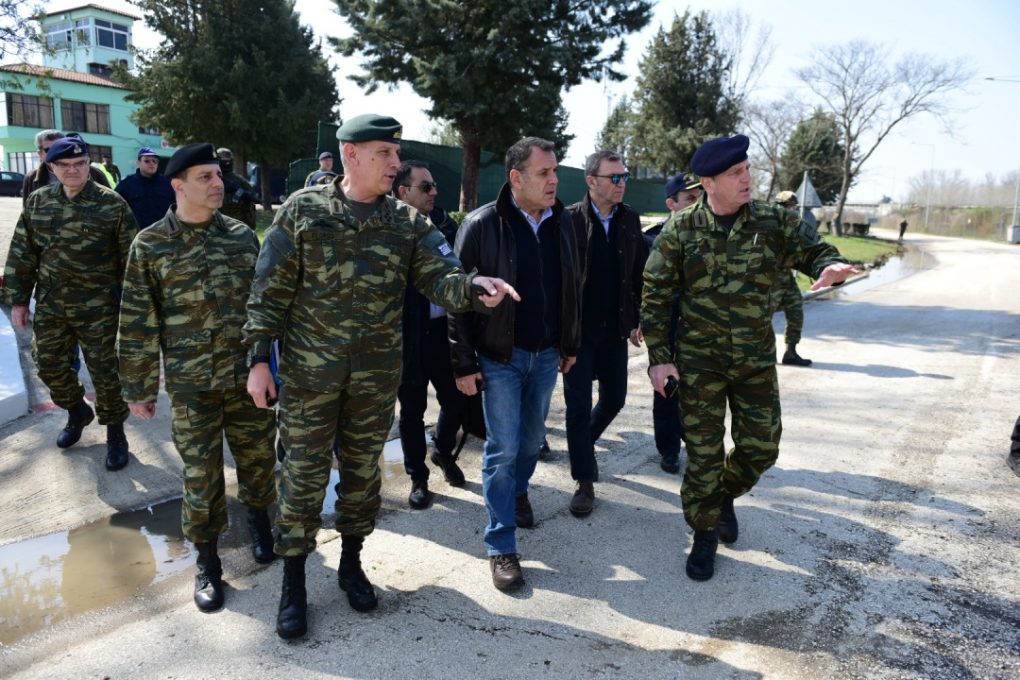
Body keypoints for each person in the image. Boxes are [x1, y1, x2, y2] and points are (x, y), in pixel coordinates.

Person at [243, 113, 518, 639]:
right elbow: (268, 290)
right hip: (309, 379)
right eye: (384, 153)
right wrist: (258, 359)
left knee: (362, 476)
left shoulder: (406, 222)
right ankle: (294, 582)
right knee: (301, 479)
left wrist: (473, 286)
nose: (395, 162)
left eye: (396, 153)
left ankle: (351, 564)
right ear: (351, 155)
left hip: (373, 380)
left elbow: (440, 276)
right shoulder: (303, 210)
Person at [642, 134, 858, 582]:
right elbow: (656, 295)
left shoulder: (772, 221)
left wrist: (828, 266)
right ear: (708, 183)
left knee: (762, 448)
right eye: (735, 173)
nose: (746, 179)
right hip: (699, 363)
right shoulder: (681, 230)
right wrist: (659, 358)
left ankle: (723, 497)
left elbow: (814, 250)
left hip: (754, 361)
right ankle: (704, 532)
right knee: (703, 455)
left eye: (746, 169)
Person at [117, 142, 279, 613]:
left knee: (257, 460)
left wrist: (267, 364)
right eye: (205, 177)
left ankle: (261, 527)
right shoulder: (150, 244)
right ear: (178, 186)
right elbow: (138, 321)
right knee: (201, 477)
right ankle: (207, 562)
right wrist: (139, 387)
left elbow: (262, 307)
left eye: (218, 175)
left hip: (246, 378)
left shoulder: (241, 236)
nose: (217, 184)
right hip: (192, 387)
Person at [449, 136, 581, 592]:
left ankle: (516, 490)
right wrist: (463, 363)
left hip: (546, 354)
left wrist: (569, 342)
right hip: (499, 356)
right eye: (544, 172)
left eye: (555, 171)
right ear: (516, 178)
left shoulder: (564, 222)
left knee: (529, 443)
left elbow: (572, 286)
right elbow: (457, 296)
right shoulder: (481, 224)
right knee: (503, 448)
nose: (554, 180)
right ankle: (501, 544)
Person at [2, 134, 137, 470]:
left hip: (100, 306)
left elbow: (132, 261)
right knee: (47, 364)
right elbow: (23, 252)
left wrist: (134, 308)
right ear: (51, 167)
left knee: (106, 373)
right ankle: (77, 410)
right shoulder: (39, 202)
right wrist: (18, 301)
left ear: (88, 164)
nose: (74, 170)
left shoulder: (112, 204)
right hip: (53, 303)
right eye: (65, 165)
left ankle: (116, 433)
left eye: (80, 163)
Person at [393, 160, 481, 509]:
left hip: (446, 333)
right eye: (425, 187)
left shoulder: (445, 224)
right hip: (409, 336)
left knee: (457, 399)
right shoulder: (390, 230)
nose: (434, 192)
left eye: (433, 186)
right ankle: (418, 477)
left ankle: (442, 450)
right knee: (412, 411)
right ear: (403, 192)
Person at [562, 151, 646, 517]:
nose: (621, 183)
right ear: (591, 181)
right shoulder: (568, 220)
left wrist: (639, 317)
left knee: (614, 399)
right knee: (578, 406)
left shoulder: (630, 219)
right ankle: (584, 480)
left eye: (624, 176)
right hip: (578, 332)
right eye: (614, 177)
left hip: (615, 330)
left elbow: (639, 273)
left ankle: (582, 446)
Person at [642, 172, 702, 474]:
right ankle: (668, 449)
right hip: (667, 325)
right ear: (671, 204)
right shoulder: (654, 238)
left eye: (700, 197)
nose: (697, 203)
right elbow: (646, 287)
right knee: (668, 387)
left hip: (702, 327)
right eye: (690, 198)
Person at [773, 190, 813, 367]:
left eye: (794, 207)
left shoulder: (794, 226)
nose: (794, 210)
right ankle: (764, 355)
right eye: (790, 207)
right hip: (769, 278)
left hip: (786, 277)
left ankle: (791, 352)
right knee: (763, 318)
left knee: (796, 311)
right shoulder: (770, 226)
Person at [21, 130, 110, 202]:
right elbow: (28, 210)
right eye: (49, 150)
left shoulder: (94, 173)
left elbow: (109, 201)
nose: (55, 152)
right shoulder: (32, 178)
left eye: (60, 147)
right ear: (40, 153)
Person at [115, 147, 175, 229]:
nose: (152, 163)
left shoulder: (168, 183)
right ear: (138, 163)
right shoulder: (126, 184)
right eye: (147, 161)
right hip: (137, 233)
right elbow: (115, 208)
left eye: (154, 161)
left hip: (165, 232)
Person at [215, 147, 257, 229]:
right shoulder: (211, 180)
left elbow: (251, 197)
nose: (227, 164)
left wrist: (241, 194)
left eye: (228, 161)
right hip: (217, 223)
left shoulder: (239, 180)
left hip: (237, 224)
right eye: (224, 161)